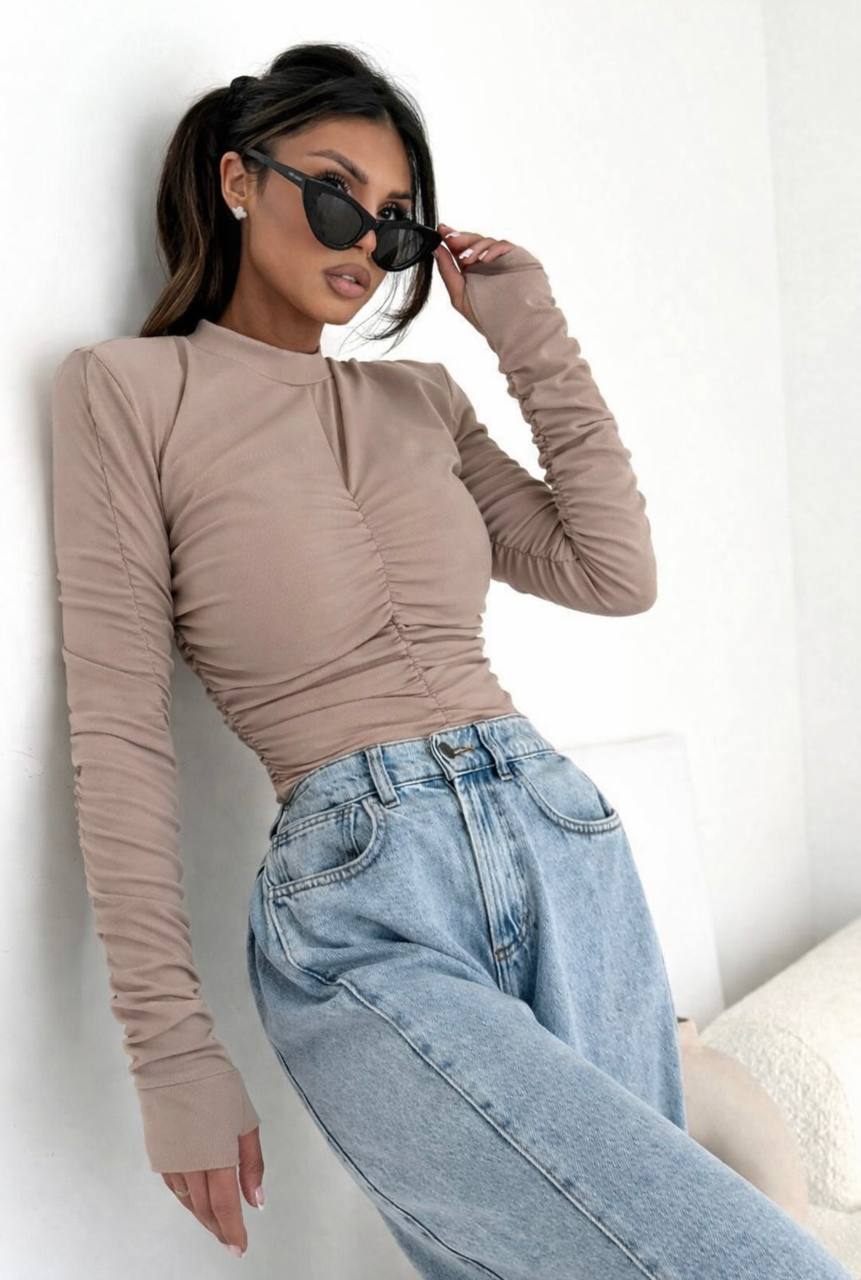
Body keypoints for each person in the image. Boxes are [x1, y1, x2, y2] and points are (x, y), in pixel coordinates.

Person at [50, 40, 852, 1278]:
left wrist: (530, 333)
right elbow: (116, 734)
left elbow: (612, 569)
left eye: (396, 223)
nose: (365, 243)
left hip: (563, 843)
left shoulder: (422, 399)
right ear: (236, 179)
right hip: (363, 891)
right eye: (334, 194)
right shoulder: (129, 392)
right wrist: (170, 1049)